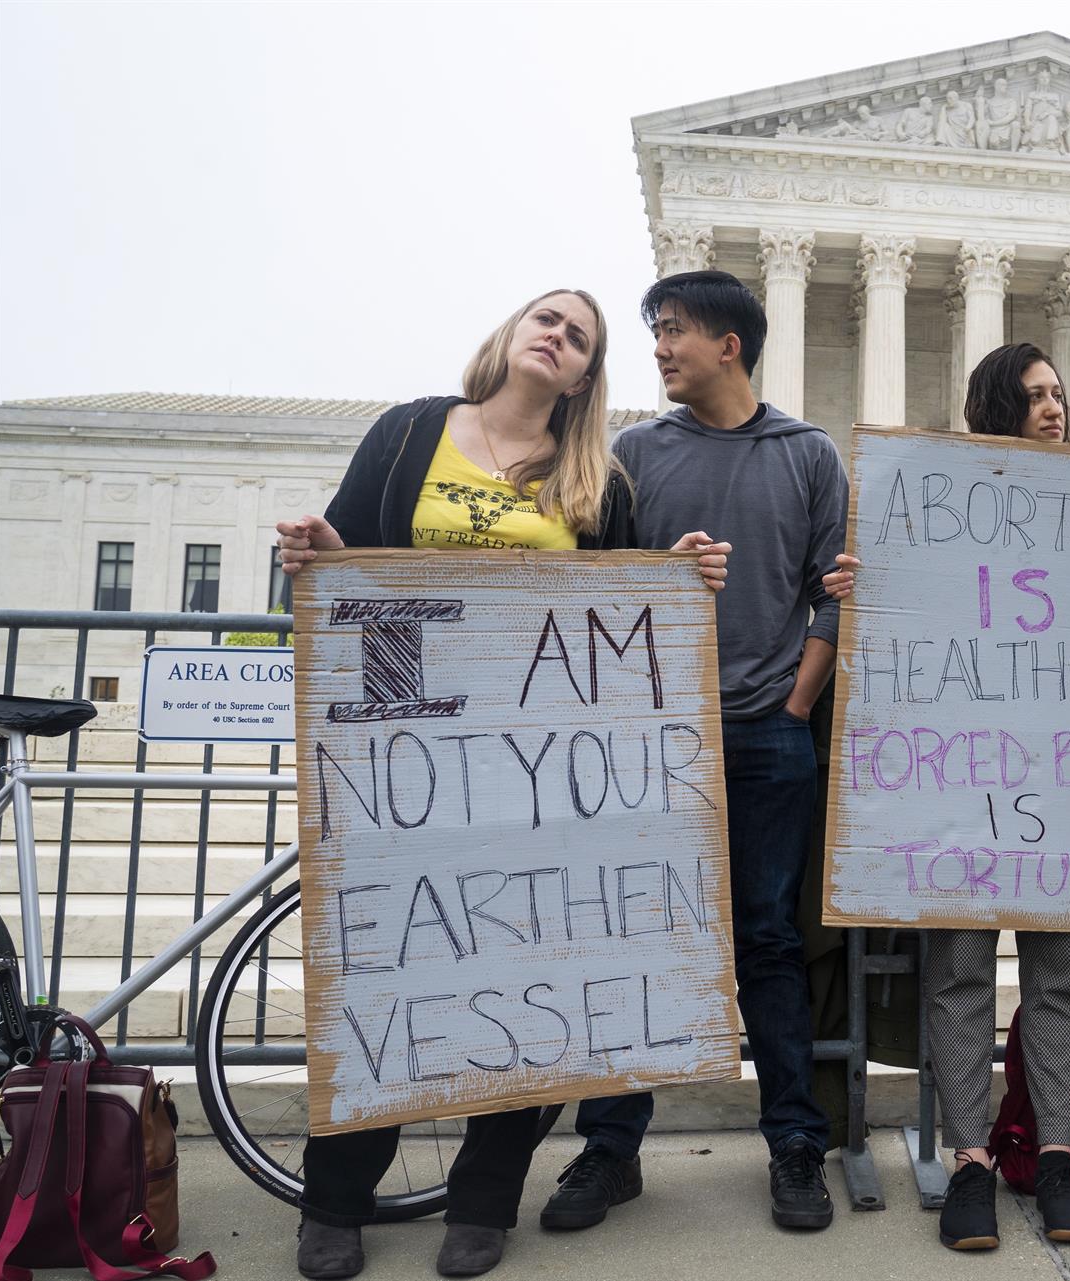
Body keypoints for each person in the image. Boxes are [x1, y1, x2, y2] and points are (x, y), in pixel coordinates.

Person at [274, 288, 729, 1280]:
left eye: (579, 336)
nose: (557, 334)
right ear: (512, 334)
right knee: (381, 974)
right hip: (399, 757)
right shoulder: (408, 436)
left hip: (530, 775)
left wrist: (677, 576)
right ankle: (335, 1199)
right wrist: (315, 552)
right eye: (547, 318)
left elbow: (616, 620)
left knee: (529, 975)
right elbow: (344, 573)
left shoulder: (596, 481)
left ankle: (484, 1201)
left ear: (583, 374)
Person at [822, 343, 1070, 1252]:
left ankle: (1059, 1151)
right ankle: (968, 1160)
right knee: (958, 979)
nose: (1052, 408)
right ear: (997, 402)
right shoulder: (942, 504)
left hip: (1065, 793)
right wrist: (858, 586)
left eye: (1059, 395)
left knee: (1055, 981)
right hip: (962, 787)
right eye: (1034, 394)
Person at [547, 270, 849, 1236]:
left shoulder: (808, 455)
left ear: (730, 344)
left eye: (674, 331)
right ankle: (609, 1148)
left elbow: (836, 589)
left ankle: (795, 1145)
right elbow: (590, 591)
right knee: (636, 933)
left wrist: (797, 702)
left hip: (768, 734)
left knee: (767, 939)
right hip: (650, 739)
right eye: (657, 332)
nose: (661, 348)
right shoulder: (630, 454)